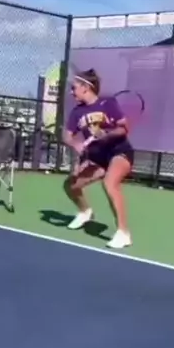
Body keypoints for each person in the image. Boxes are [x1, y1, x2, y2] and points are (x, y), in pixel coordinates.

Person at [63, 70, 134, 249]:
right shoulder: (77, 112)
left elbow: (124, 128)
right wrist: (76, 145)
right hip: (97, 159)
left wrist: (106, 134)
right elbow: (67, 136)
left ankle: (124, 233)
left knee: (110, 183)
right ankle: (85, 212)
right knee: (70, 185)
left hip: (119, 152)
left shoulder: (108, 103)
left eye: (74, 88)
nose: (71, 92)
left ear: (86, 88)